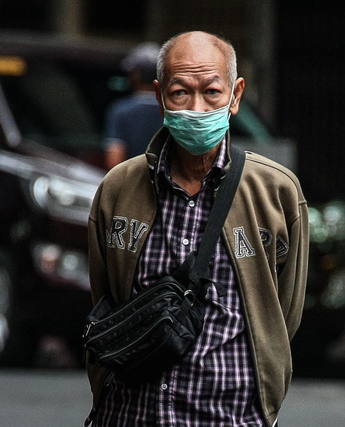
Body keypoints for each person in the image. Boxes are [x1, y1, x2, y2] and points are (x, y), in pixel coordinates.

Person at [85, 31, 309, 426]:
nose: (196, 108)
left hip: (231, 418)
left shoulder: (276, 192)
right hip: (130, 415)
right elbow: (106, 299)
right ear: (159, 96)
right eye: (179, 93)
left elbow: (281, 313)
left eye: (211, 92)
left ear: (236, 96)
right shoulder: (118, 190)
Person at [103, 42, 163, 170]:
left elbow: (114, 160)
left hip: (132, 185)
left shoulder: (121, 110)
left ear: (134, 75)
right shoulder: (174, 110)